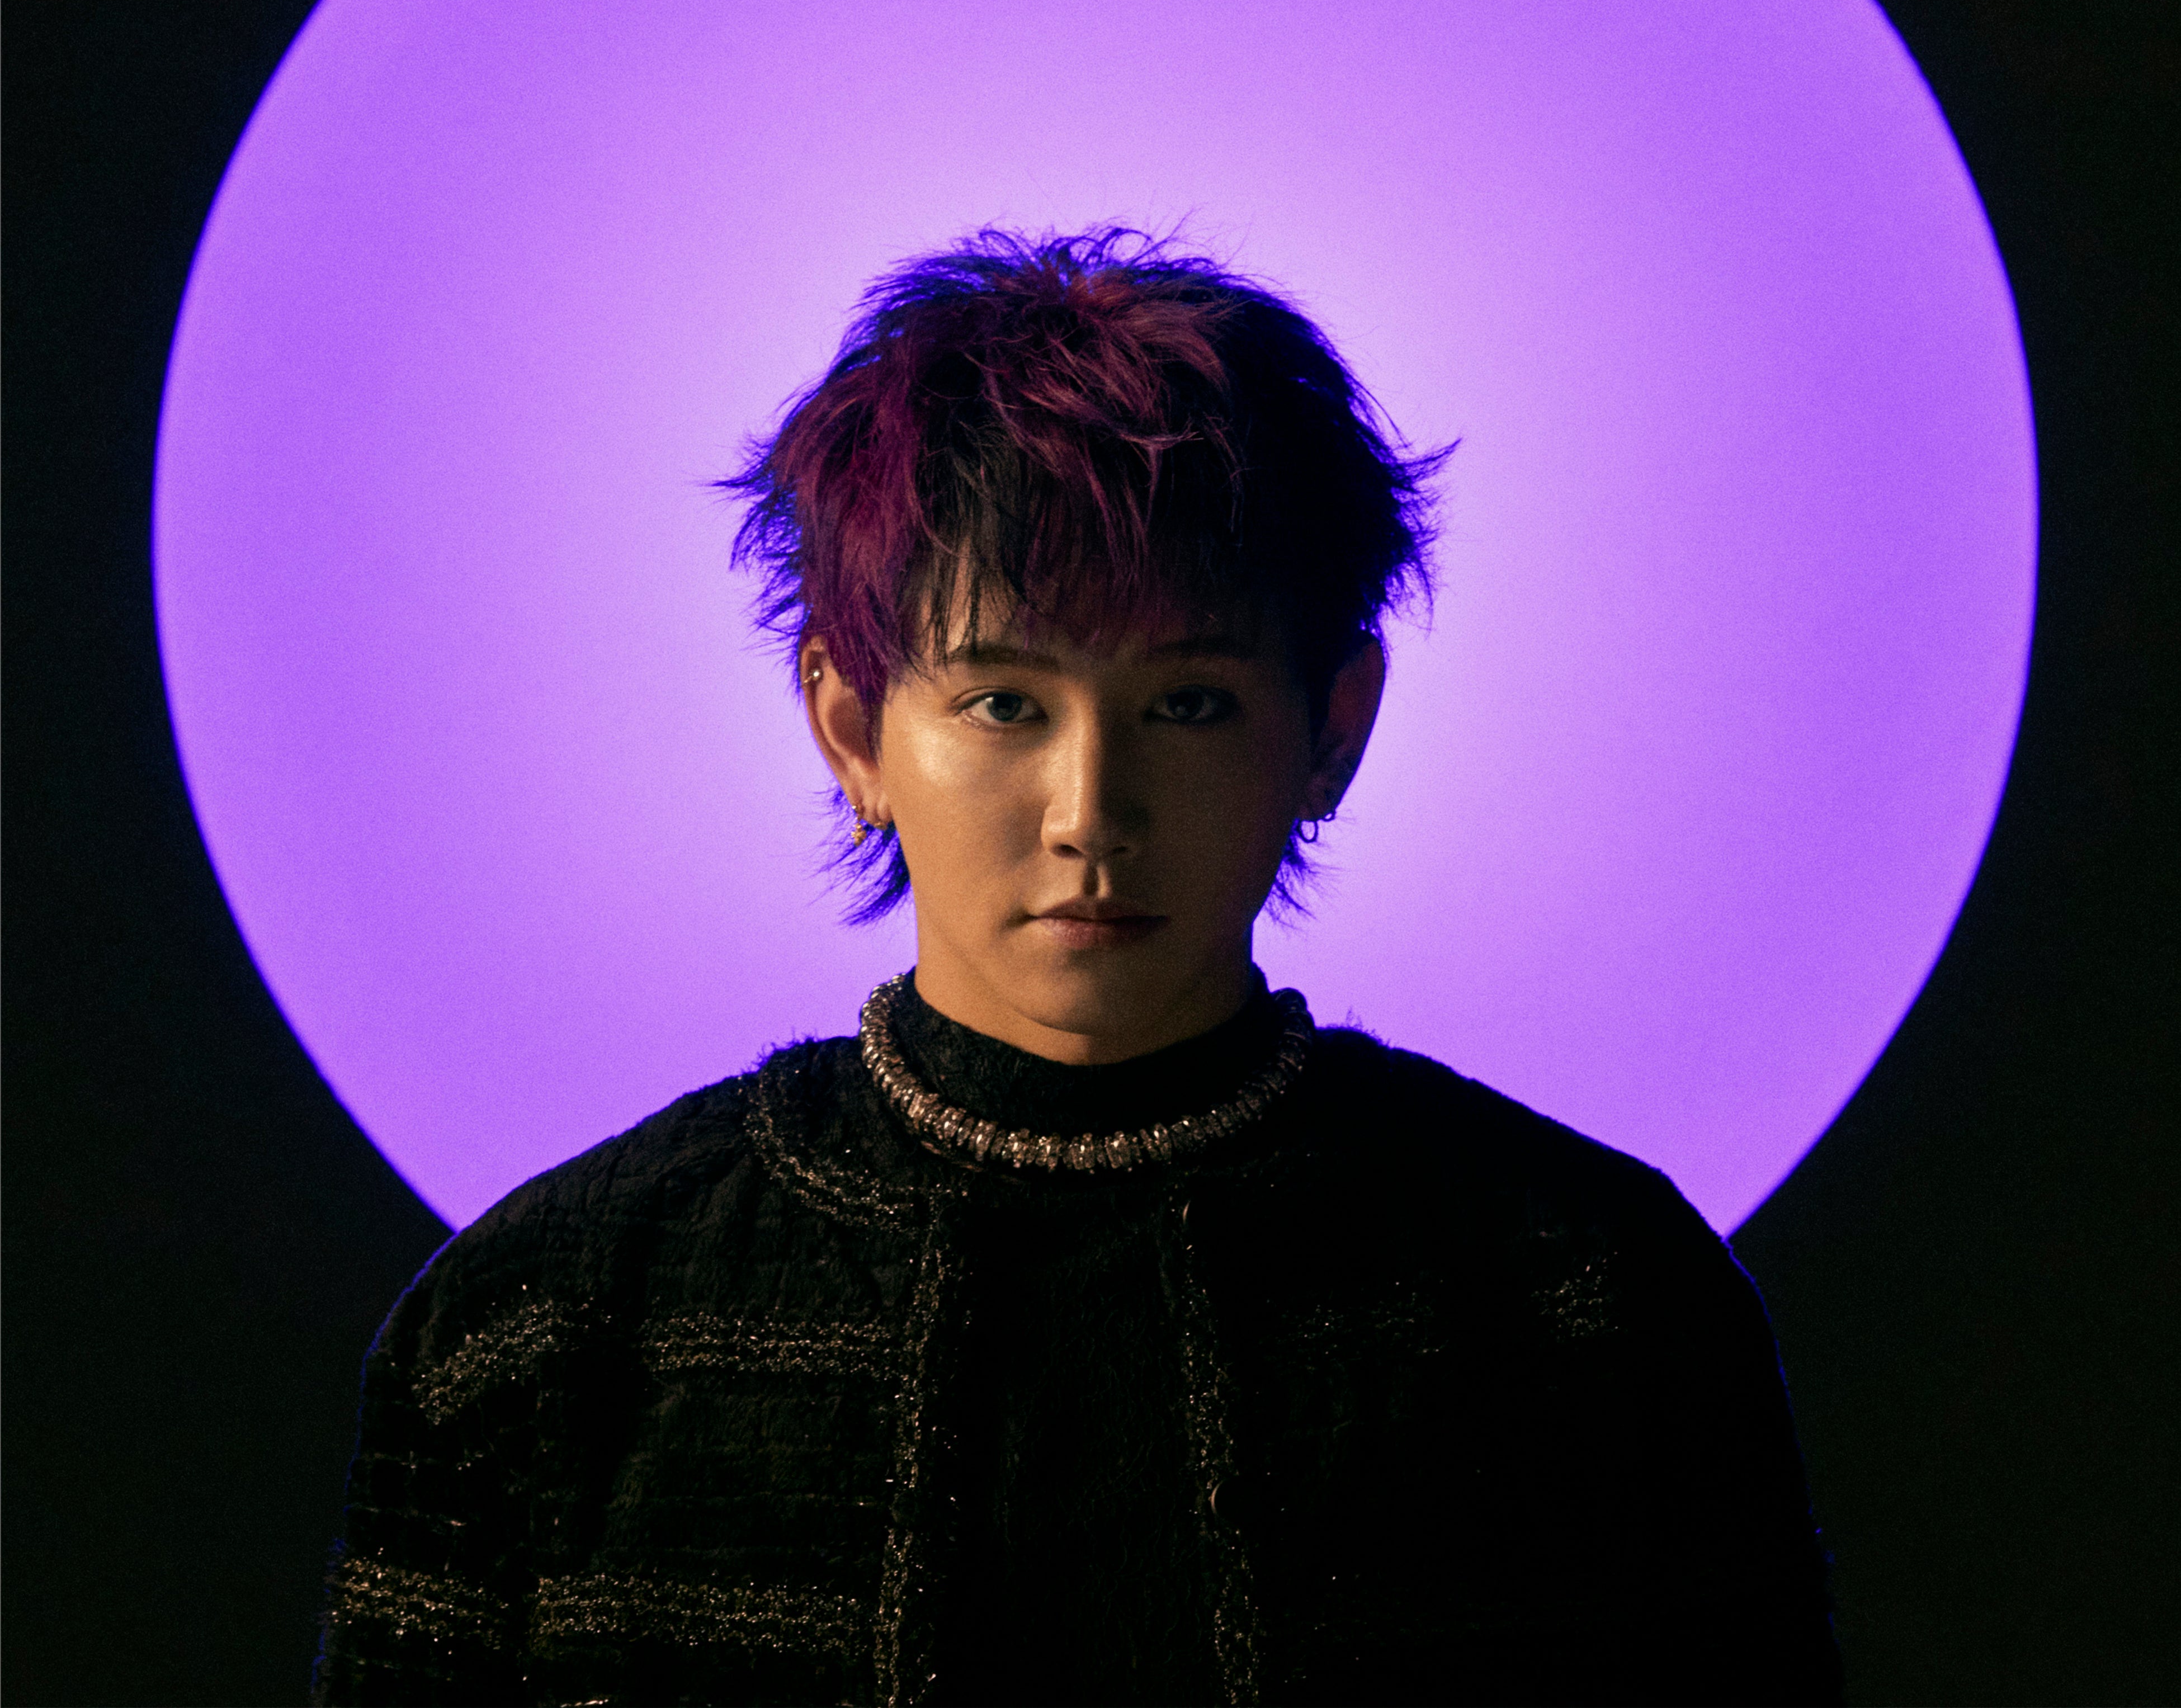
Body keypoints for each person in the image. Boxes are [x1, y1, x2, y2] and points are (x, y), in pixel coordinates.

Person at [313, 228, 1840, 1706]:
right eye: (1003, 704)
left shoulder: (1592, 1301)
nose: (1090, 813)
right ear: (851, 729)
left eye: (1187, 703)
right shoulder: (543, 1327)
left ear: (1333, 726)